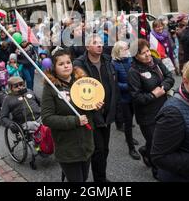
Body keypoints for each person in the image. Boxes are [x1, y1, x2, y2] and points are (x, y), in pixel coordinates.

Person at [41, 48, 103, 182]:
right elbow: (47, 118)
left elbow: (88, 109)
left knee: (84, 177)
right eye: (61, 64)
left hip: (86, 143)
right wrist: (74, 121)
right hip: (67, 148)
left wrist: (95, 107)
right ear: (54, 67)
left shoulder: (82, 82)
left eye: (68, 62)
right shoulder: (50, 88)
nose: (66, 66)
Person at [74, 34, 119, 182]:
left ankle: (101, 176)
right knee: (98, 150)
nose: (99, 45)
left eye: (100, 42)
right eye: (95, 43)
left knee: (104, 149)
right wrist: (93, 106)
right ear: (87, 47)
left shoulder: (107, 60)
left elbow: (113, 85)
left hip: (107, 113)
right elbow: (79, 91)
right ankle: (99, 180)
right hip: (92, 115)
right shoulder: (80, 64)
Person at [128, 39, 175, 180]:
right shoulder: (133, 71)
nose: (148, 55)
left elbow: (169, 77)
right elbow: (136, 97)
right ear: (136, 56)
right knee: (156, 144)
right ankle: (157, 171)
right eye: (143, 53)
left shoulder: (156, 61)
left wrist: (163, 88)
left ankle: (145, 150)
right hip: (147, 115)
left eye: (148, 50)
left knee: (162, 139)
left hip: (163, 108)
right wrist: (153, 95)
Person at [111, 41, 140, 160]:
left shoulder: (131, 60)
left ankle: (129, 137)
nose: (127, 50)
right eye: (124, 49)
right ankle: (131, 147)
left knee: (134, 118)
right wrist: (129, 86)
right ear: (117, 51)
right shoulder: (113, 64)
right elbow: (115, 83)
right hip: (123, 99)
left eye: (127, 48)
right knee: (128, 122)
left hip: (134, 96)